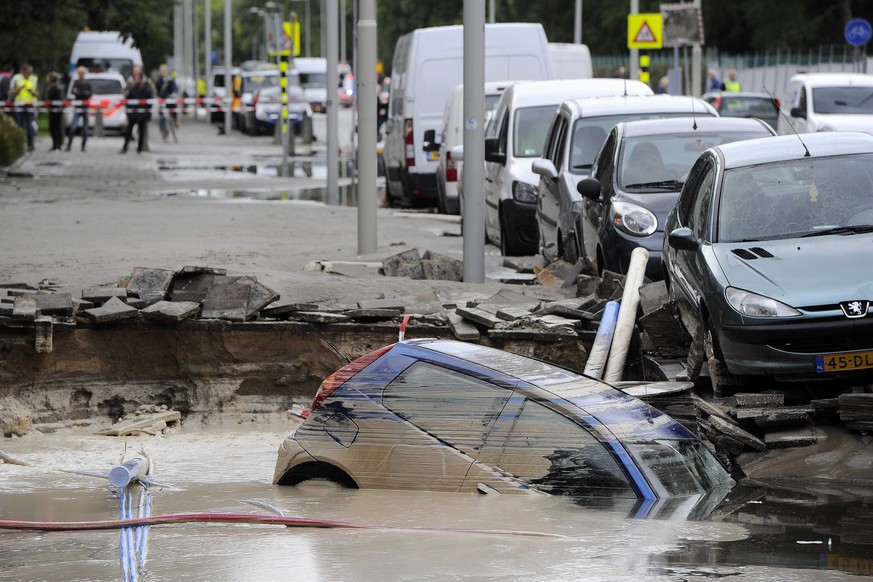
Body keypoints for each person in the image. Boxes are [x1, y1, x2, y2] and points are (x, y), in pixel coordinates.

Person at [121, 69, 153, 154]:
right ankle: (125, 148)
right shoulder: (133, 88)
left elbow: (149, 102)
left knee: (141, 132)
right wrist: (129, 110)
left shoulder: (146, 89)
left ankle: (139, 149)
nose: (136, 80)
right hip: (133, 113)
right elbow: (128, 98)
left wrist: (147, 113)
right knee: (129, 130)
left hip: (142, 114)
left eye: (137, 78)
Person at [9, 63, 38, 152]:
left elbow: (37, 93)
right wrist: (19, 88)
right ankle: (18, 145)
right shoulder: (16, 78)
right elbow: (11, 92)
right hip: (19, 105)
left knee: (29, 125)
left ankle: (31, 145)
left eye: (31, 72)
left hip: (30, 105)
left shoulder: (34, 78)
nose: (30, 74)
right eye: (28, 72)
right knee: (19, 125)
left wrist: (32, 92)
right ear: (23, 71)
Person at [66, 66, 92, 152]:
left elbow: (89, 94)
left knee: (85, 129)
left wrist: (80, 93)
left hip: (85, 108)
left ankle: (83, 147)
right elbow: (74, 92)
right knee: (73, 127)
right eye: (79, 73)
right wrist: (83, 94)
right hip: (77, 108)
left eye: (82, 73)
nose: (81, 74)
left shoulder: (87, 83)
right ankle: (69, 146)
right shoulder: (76, 82)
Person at [156, 64, 179, 132]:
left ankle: (175, 119)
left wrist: (174, 93)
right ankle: (163, 129)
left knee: (174, 107)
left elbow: (175, 87)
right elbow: (158, 91)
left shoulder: (171, 80)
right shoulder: (159, 81)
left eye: (165, 71)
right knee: (161, 113)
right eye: (162, 71)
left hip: (169, 99)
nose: (164, 72)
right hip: (162, 99)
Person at [45, 72, 65, 151]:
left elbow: (50, 98)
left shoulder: (54, 87)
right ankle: (55, 145)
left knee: (55, 128)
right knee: (54, 128)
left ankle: (57, 145)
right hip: (54, 110)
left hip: (55, 110)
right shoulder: (55, 86)